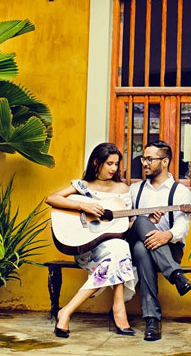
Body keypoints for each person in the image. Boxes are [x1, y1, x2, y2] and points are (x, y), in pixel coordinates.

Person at [45, 142, 137, 338]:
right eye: (109, 163)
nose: (114, 168)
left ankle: (67, 311)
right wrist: (82, 206)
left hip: (112, 246)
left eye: (116, 164)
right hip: (86, 246)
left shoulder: (122, 189)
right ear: (97, 162)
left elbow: (127, 224)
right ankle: (118, 310)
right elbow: (51, 198)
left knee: (119, 247)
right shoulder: (83, 186)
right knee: (119, 253)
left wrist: (137, 221)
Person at [128, 140, 191, 341]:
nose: (145, 163)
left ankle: (152, 320)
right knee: (140, 223)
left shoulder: (180, 191)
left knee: (142, 249)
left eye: (150, 159)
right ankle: (176, 275)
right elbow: (127, 224)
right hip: (142, 244)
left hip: (170, 248)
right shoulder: (135, 189)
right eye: (143, 158)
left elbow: (183, 225)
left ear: (165, 162)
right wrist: (146, 223)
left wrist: (166, 235)